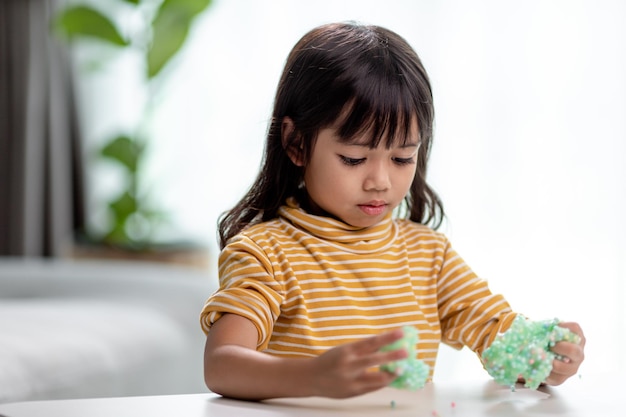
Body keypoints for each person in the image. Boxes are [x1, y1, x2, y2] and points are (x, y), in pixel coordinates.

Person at [200, 21, 585, 400]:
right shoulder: (264, 253)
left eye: (402, 157)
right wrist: (314, 377)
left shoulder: (429, 256)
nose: (380, 181)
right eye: (354, 158)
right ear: (296, 143)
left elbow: (496, 334)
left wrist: (544, 355)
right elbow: (222, 365)